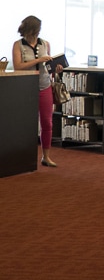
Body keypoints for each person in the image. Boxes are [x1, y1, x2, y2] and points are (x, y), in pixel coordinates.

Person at [12, 15, 60, 167]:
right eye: (35, 30)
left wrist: (56, 68)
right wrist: (38, 60)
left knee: (47, 122)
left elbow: (49, 68)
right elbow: (17, 66)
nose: (37, 33)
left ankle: (46, 156)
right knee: (25, 123)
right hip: (25, 88)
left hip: (44, 85)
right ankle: (21, 157)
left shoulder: (45, 44)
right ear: (28, 29)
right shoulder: (18, 45)